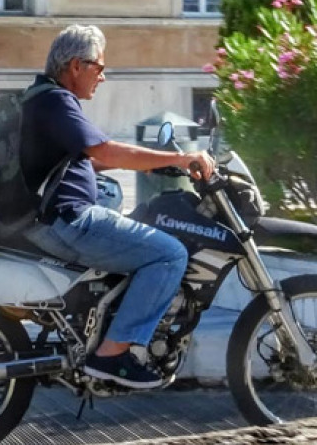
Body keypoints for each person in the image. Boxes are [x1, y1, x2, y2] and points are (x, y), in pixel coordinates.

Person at [20, 24, 215, 389]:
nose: (104, 76)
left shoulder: (45, 97)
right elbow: (105, 150)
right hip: (68, 219)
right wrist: (180, 156)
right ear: (76, 66)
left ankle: (105, 328)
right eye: (99, 66)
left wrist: (164, 162)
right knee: (169, 254)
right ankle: (114, 354)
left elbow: (87, 161)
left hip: (57, 217)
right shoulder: (56, 101)